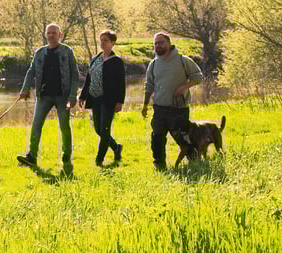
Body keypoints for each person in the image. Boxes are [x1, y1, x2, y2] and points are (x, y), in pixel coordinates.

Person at [16, 23, 79, 176]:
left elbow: (75, 75)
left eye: (54, 33)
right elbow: (31, 72)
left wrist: (72, 96)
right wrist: (24, 89)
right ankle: (32, 156)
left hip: (63, 96)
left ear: (60, 34)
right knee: (36, 125)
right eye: (49, 33)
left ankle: (66, 155)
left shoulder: (67, 51)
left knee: (64, 126)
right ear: (46, 35)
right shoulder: (39, 52)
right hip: (43, 95)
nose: (51, 35)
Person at [141, 32, 203, 170]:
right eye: (156, 43)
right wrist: (145, 105)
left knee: (183, 139)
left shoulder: (182, 60)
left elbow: (198, 76)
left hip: (179, 109)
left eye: (161, 42)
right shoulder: (153, 64)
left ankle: (194, 162)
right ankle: (160, 165)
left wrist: (184, 87)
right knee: (157, 137)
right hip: (159, 109)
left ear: (169, 43)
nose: (158, 45)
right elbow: (149, 85)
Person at [79, 30, 126, 166]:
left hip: (109, 99)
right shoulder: (95, 58)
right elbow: (89, 79)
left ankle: (99, 160)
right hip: (94, 98)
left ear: (112, 43)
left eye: (105, 40)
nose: (103, 43)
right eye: (101, 40)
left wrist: (120, 101)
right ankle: (117, 148)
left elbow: (121, 83)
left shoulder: (116, 61)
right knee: (98, 129)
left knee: (105, 129)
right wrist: (83, 96)